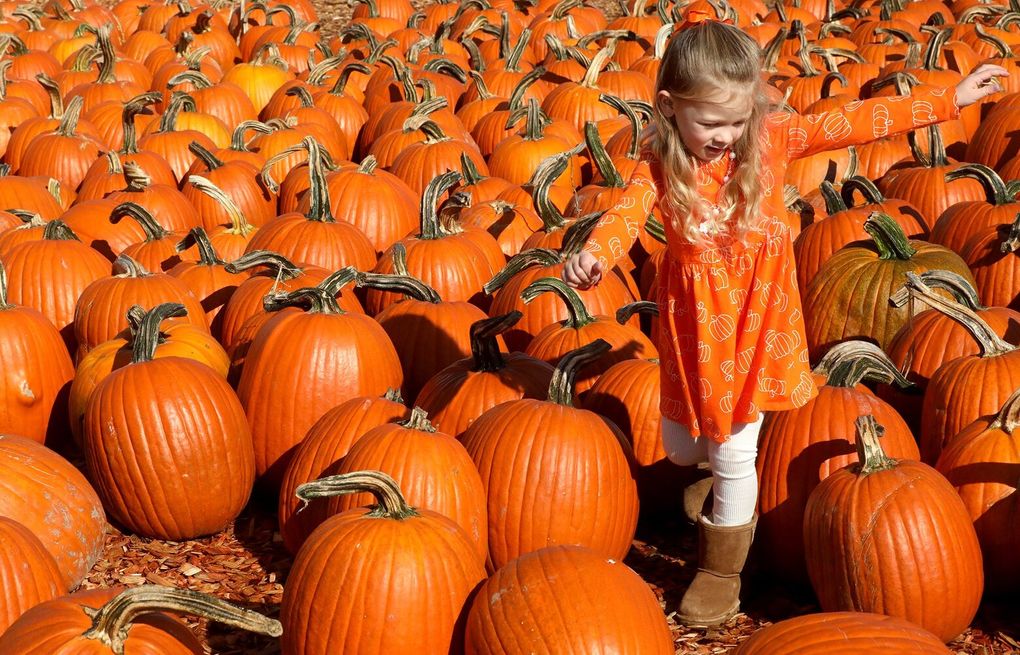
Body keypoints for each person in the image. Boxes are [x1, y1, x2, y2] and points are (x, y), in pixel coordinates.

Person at [561, 17, 1007, 628]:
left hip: (756, 320)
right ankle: (715, 474)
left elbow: (848, 120)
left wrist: (947, 99)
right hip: (696, 327)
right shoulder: (659, 165)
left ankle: (721, 572)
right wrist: (596, 253)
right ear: (668, 108)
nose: (727, 137)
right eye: (711, 124)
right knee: (682, 442)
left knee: (736, 449)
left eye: (738, 121)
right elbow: (623, 214)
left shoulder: (769, 140)